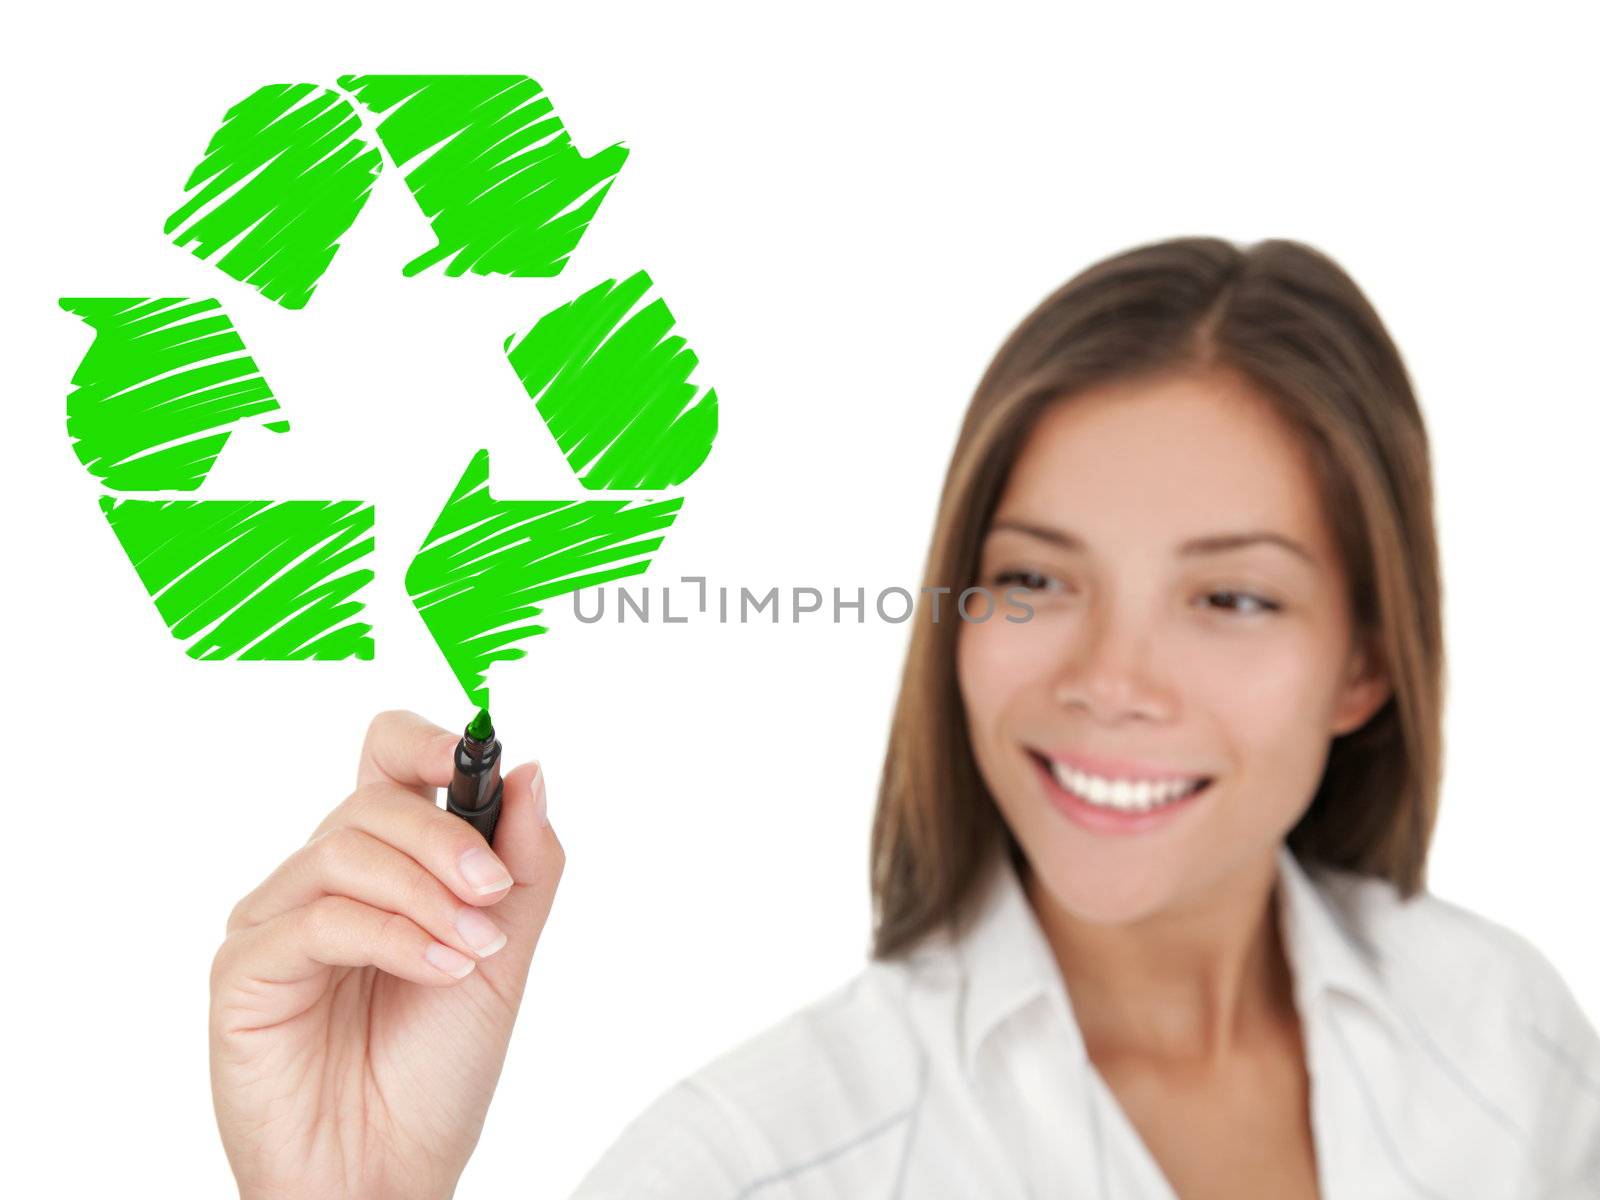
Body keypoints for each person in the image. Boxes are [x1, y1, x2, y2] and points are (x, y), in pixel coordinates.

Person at [209, 236, 1600, 1199]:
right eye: (1037, 578)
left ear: (1368, 662)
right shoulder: (765, 1162)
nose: (1111, 679)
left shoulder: (1505, 1039)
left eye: (1231, 599)